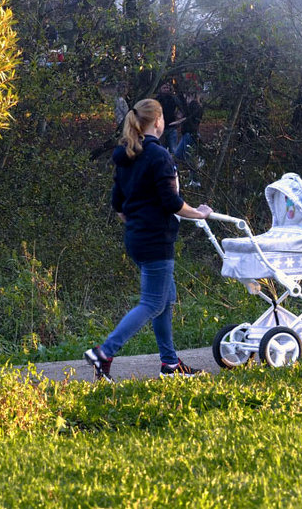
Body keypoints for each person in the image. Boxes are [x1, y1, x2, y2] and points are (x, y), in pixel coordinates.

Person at [84, 98, 212, 381]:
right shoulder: (159, 156)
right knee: (152, 303)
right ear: (158, 121)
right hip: (156, 241)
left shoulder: (128, 156)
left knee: (164, 300)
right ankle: (103, 352)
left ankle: (170, 365)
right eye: (163, 118)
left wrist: (141, 224)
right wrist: (200, 213)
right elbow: (172, 203)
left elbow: (119, 207)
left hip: (137, 239)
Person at [174, 92, 203, 181]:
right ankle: (179, 177)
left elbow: (189, 117)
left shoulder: (193, 105)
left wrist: (182, 120)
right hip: (187, 134)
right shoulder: (194, 106)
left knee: (190, 158)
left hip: (190, 135)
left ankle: (194, 180)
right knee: (178, 155)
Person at [155, 81, 184, 154]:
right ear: (160, 89)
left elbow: (182, 109)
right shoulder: (157, 99)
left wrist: (179, 118)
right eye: (164, 88)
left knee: (173, 150)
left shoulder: (173, 98)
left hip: (171, 127)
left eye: (168, 88)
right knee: (161, 150)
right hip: (160, 128)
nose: (166, 89)